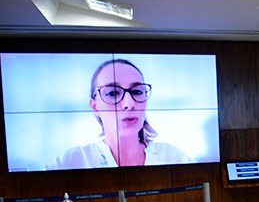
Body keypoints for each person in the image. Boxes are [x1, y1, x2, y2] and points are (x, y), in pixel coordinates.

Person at [47, 59, 191, 169]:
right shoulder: (74, 160)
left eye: (137, 91)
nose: (129, 103)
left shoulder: (174, 157)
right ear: (95, 106)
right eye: (113, 93)